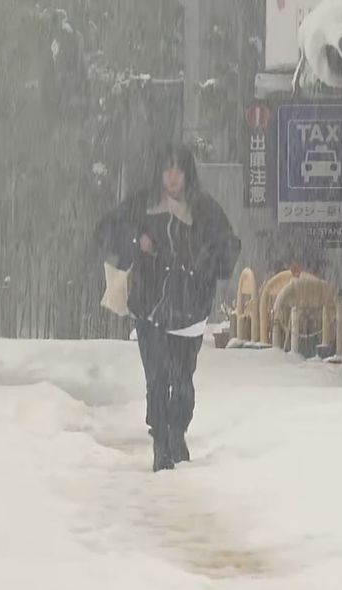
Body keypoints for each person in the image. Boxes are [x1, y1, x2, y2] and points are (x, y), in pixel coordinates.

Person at [95, 142, 240, 471]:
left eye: (178, 168)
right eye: (166, 168)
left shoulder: (203, 209)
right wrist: (136, 241)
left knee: (183, 379)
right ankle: (161, 442)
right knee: (157, 378)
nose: (172, 176)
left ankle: (178, 431)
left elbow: (228, 246)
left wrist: (204, 263)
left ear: (187, 172)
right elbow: (105, 230)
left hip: (190, 310)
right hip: (150, 309)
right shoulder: (142, 206)